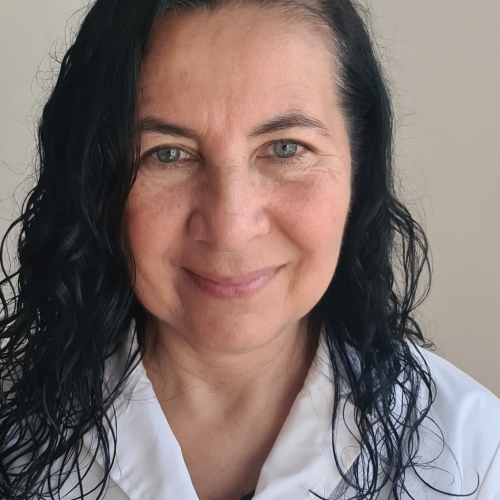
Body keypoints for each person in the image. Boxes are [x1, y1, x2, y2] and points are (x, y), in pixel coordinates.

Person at [0, 0, 499, 499]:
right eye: (168, 154)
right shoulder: (12, 440)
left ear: (357, 167)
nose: (230, 228)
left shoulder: (476, 458)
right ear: (95, 182)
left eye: (286, 148)